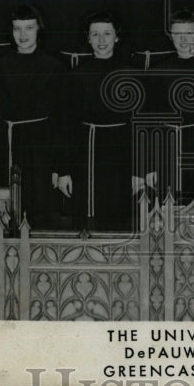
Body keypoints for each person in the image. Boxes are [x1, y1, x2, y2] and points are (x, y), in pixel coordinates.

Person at [0, 4, 79, 229]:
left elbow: (64, 121)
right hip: (8, 147)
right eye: (17, 29)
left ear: (39, 29)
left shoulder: (54, 68)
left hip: (42, 151)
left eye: (29, 28)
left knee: (42, 214)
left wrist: (62, 168)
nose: (23, 35)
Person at [142, 10, 194, 199]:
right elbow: (149, 119)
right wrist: (150, 165)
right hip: (167, 149)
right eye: (177, 33)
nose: (183, 39)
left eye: (188, 33)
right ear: (170, 36)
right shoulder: (158, 70)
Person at [73, 12, 136, 231]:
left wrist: (139, 170)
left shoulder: (130, 73)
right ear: (88, 38)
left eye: (107, 34)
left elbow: (139, 124)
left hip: (121, 151)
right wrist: (63, 171)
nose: (101, 41)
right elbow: (67, 123)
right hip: (86, 151)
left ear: (117, 37)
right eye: (95, 35)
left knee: (119, 214)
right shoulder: (77, 74)